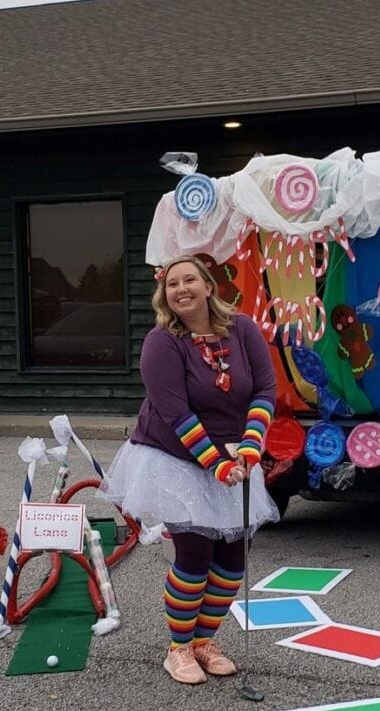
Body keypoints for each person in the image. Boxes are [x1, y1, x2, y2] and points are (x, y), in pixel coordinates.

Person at [104, 255, 278, 684]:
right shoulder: (162, 342)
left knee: (233, 560)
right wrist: (215, 464)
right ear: (164, 294)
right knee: (194, 555)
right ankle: (178, 648)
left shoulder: (243, 329)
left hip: (233, 454)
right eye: (172, 284)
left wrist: (251, 447)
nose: (181, 289)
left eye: (189, 281)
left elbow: (265, 389)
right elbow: (174, 411)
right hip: (176, 456)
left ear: (207, 286)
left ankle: (205, 640)